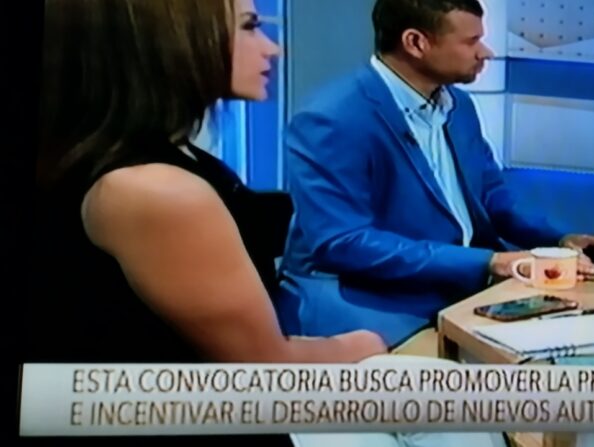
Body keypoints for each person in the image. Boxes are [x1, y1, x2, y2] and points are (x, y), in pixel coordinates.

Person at [31, 1, 505, 446]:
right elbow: (264, 366)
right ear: (173, 45)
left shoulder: (177, 158)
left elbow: (270, 221)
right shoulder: (155, 190)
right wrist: (361, 343)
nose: (272, 47)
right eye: (249, 27)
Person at [277, 0, 594, 346]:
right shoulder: (332, 118)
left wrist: (560, 241)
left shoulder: (459, 106)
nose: (485, 53)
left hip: (455, 290)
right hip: (366, 302)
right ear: (416, 43)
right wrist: (491, 262)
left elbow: (493, 200)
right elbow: (343, 243)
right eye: (471, 41)